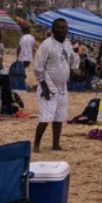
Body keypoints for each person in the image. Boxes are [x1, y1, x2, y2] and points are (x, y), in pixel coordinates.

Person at [32, 18, 80, 152]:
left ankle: (55, 144)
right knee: (45, 117)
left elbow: (72, 58)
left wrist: (74, 69)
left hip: (62, 87)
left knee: (59, 116)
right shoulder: (46, 45)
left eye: (65, 27)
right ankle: (36, 145)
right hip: (48, 86)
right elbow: (38, 67)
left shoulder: (67, 43)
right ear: (53, 30)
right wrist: (45, 87)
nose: (63, 30)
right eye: (59, 28)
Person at [14, 25, 35, 90]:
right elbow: (33, 48)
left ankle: (22, 85)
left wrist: (17, 57)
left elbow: (19, 48)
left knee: (18, 72)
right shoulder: (32, 38)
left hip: (22, 57)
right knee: (22, 71)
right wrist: (32, 57)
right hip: (29, 58)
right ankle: (25, 84)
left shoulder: (23, 38)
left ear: (23, 31)